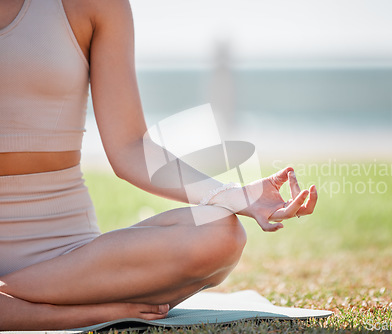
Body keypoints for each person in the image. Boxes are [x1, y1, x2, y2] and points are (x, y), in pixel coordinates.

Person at [0, 0, 317, 330]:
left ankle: (13, 301)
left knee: (220, 235)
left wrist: (232, 194)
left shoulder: (94, 5)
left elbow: (130, 146)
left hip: (68, 261)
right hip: (72, 289)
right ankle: (75, 314)